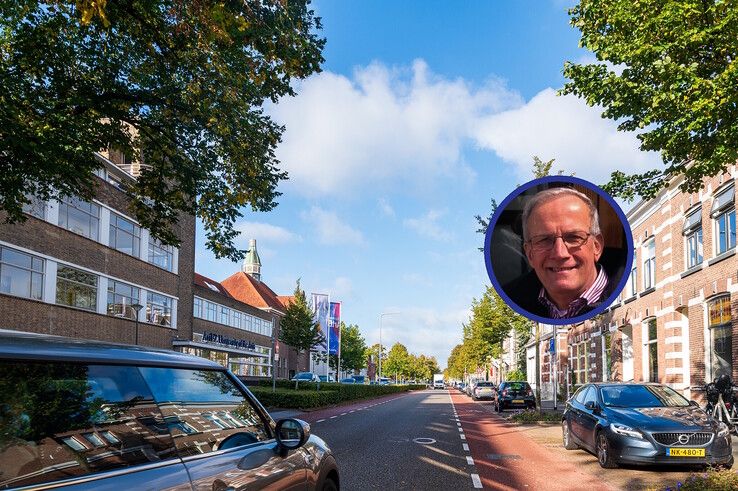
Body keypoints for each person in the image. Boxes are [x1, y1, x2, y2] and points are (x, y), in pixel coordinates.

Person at [503, 187, 619, 319]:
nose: (560, 253)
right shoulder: (516, 300)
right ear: (529, 254)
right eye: (544, 240)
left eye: (574, 237)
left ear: (596, 246)